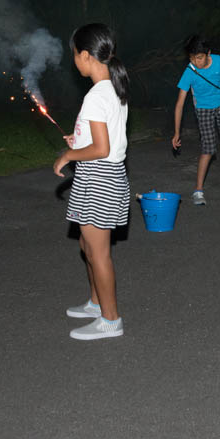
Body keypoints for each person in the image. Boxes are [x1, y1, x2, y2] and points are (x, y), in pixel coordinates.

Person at [54, 23, 130, 341]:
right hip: (99, 175)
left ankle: (111, 320)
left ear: (85, 55)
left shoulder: (97, 95)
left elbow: (102, 148)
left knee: (98, 253)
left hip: (100, 177)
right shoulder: (112, 87)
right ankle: (97, 303)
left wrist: (68, 155)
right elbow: (103, 137)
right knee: (87, 245)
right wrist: (79, 139)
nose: (74, 59)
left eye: (74, 54)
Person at [171, 36, 220, 206]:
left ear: (208, 54)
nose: (195, 61)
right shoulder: (189, 72)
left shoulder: (218, 61)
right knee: (208, 148)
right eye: (192, 58)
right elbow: (179, 104)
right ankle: (198, 190)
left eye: (199, 57)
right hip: (203, 110)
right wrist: (176, 132)